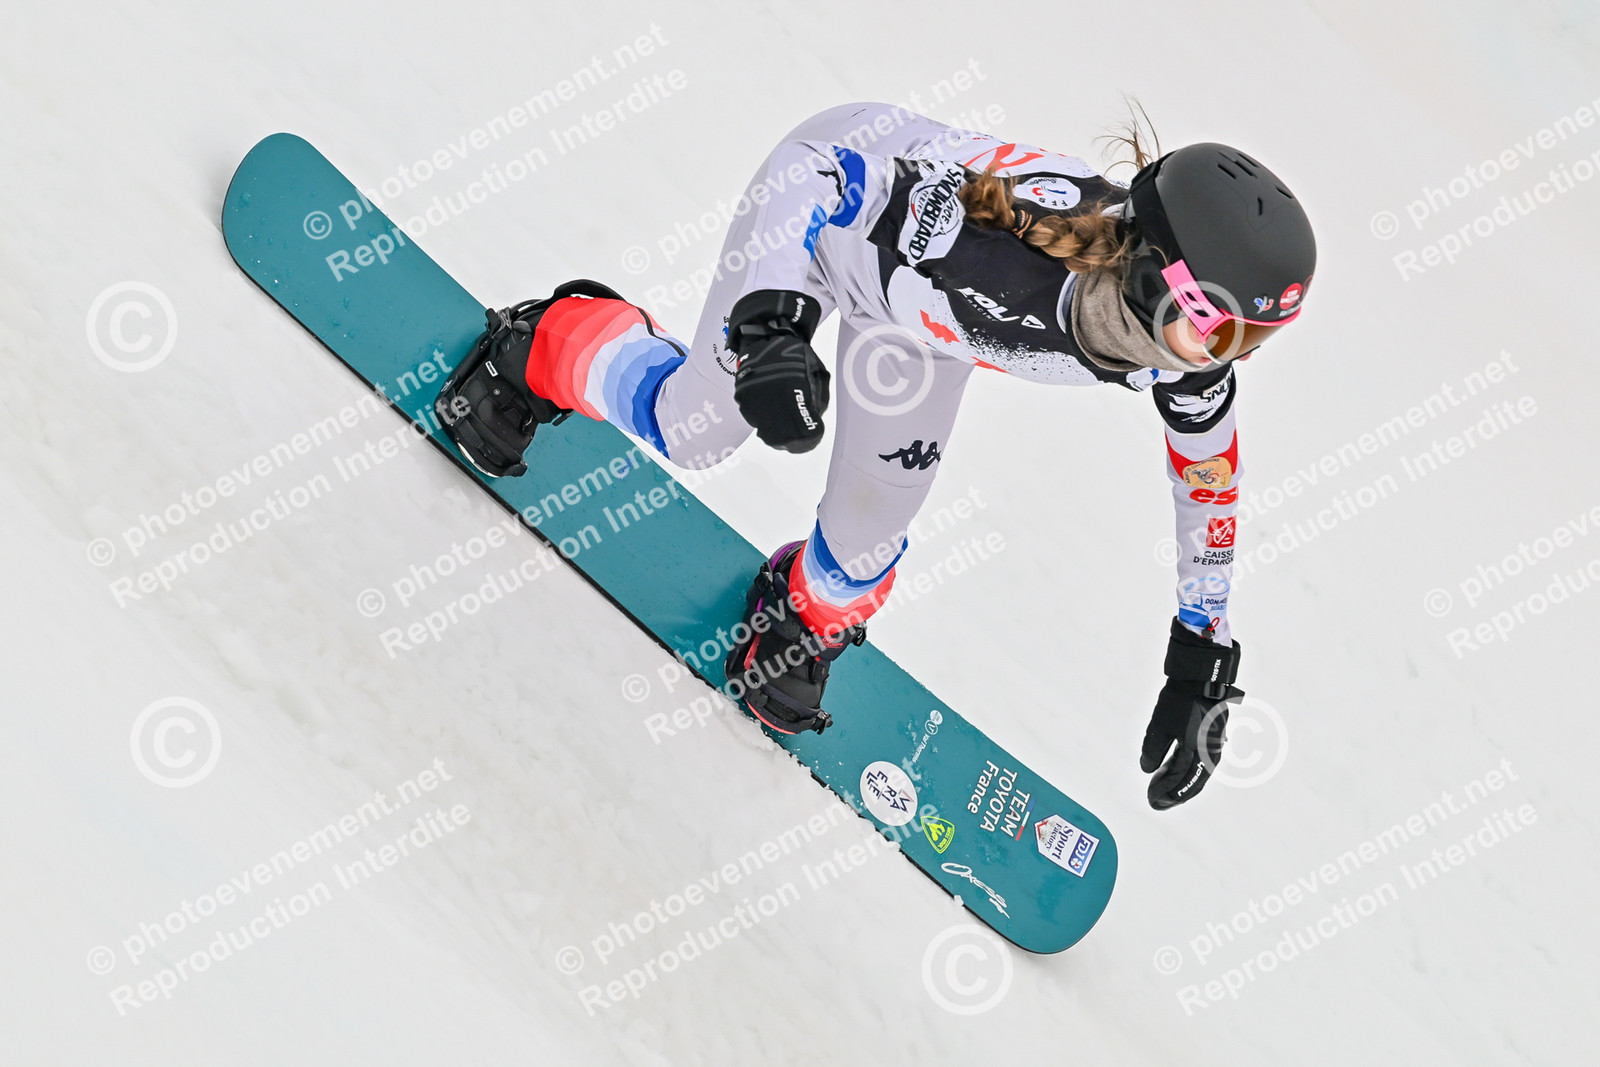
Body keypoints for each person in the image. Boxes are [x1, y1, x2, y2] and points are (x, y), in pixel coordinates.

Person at [435, 102, 1316, 810]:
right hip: (821, 238)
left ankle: (794, 615)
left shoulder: (1176, 352)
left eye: (1251, 339)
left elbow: (1209, 481)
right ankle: (547, 344)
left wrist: (1201, 650)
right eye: (1215, 327)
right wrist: (772, 324)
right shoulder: (997, 245)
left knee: (857, 557)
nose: (1222, 358)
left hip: (918, 327)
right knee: (698, 429)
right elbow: (811, 173)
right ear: (1153, 273)